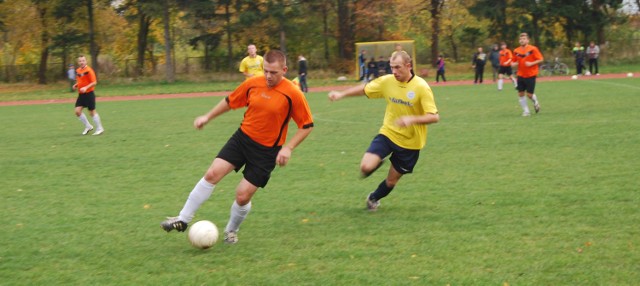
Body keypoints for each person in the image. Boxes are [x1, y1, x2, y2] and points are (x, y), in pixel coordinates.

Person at [161, 50, 314, 244]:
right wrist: (207, 117)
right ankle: (183, 219)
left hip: (267, 151)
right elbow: (230, 102)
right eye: (265, 70)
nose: (268, 76)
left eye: (273, 72)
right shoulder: (253, 83)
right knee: (212, 174)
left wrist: (288, 148)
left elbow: (306, 126)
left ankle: (231, 230)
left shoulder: (293, 94)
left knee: (242, 197)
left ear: (284, 70)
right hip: (242, 139)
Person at [327, 50, 439, 211]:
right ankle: (376, 163)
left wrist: (411, 119)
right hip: (388, 134)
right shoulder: (388, 81)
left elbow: (434, 117)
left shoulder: (421, 87)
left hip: (410, 144)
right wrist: (341, 94)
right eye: (392, 67)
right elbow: (365, 89)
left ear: (408, 66)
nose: (394, 71)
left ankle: (374, 198)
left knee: (391, 182)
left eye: (398, 67)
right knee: (365, 167)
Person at [512, 33, 543, 117]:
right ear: (519, 41)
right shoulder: (516, 51)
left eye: (524, 39)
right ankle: (526, 111)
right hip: (520, 74)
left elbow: (540, 59)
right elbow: (514, 61)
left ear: (528, 40)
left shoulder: (533, 49)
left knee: (529, 95)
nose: (522, 40)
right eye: (521, 39)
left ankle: (535, 102)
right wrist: (513, 64)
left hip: (531, 74)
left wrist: (531, 63)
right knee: (520, 93)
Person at [73, 55, 104, 135]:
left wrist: (86, 88)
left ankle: (100, 128)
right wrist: (76, 85)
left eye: (83, 60)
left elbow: (94, 82)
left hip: (89, 94)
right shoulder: (78, 71)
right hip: (81, 95)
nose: (81, 62)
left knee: (91, 112)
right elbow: (81, 80)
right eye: (80, 61)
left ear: (86, 61)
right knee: (77, 111)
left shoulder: (89, 70)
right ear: (78, 62)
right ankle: (88, 126)